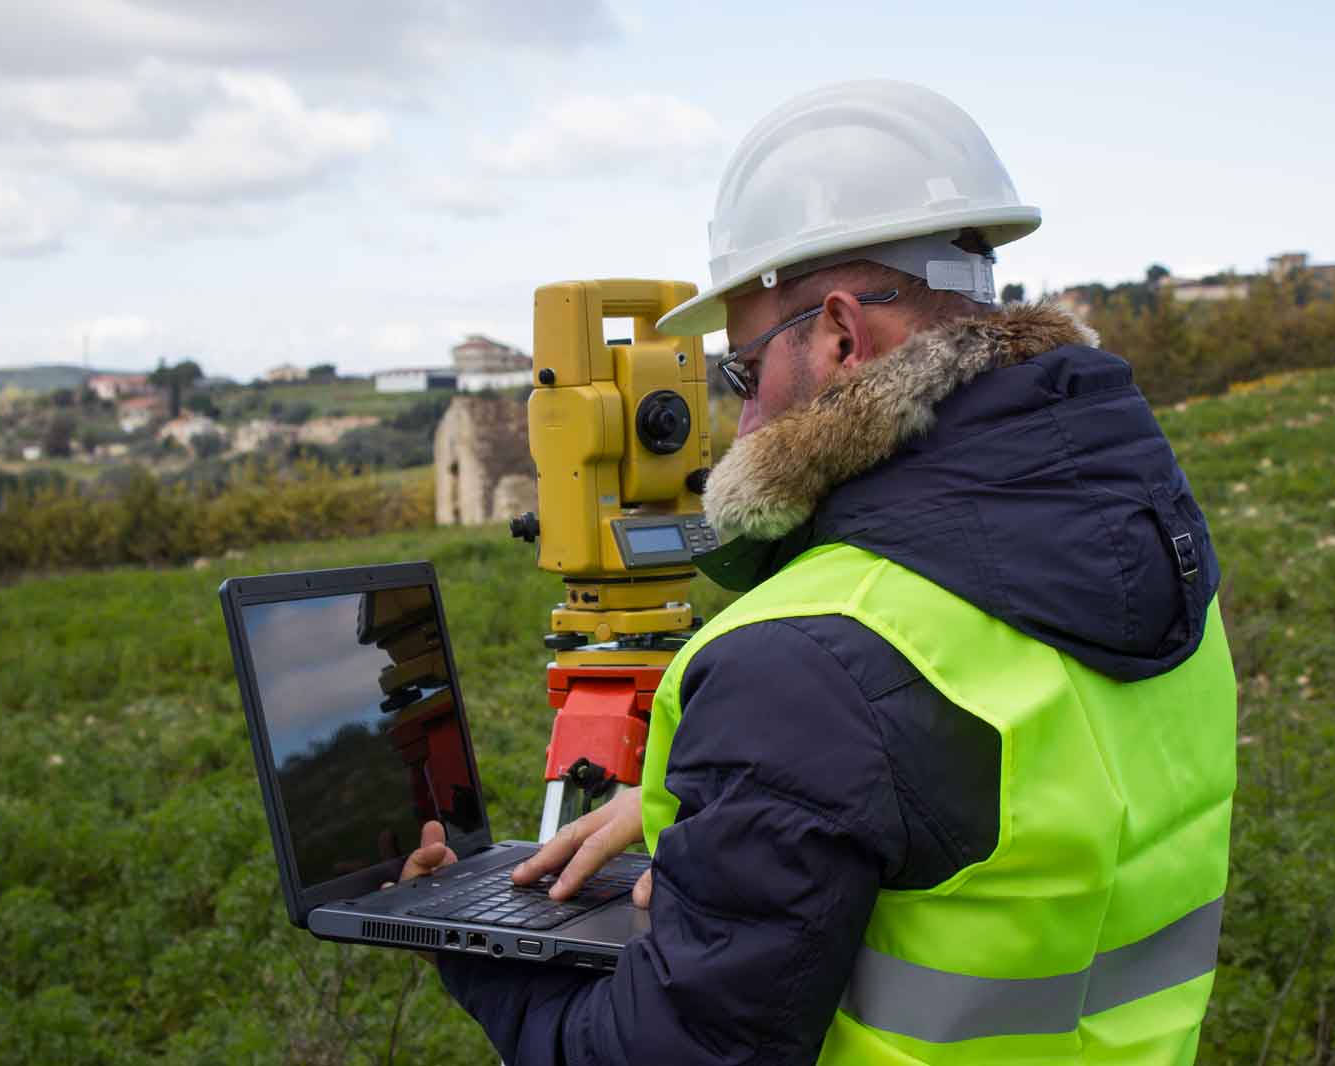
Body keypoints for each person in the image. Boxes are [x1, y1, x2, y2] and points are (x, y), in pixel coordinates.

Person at [402, 80, 1237, 1065]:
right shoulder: (1155, 545)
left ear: (841, 334)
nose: (742, 419)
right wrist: (728, 803)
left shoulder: (806, 660)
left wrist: (468, 941)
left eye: (744, 372)